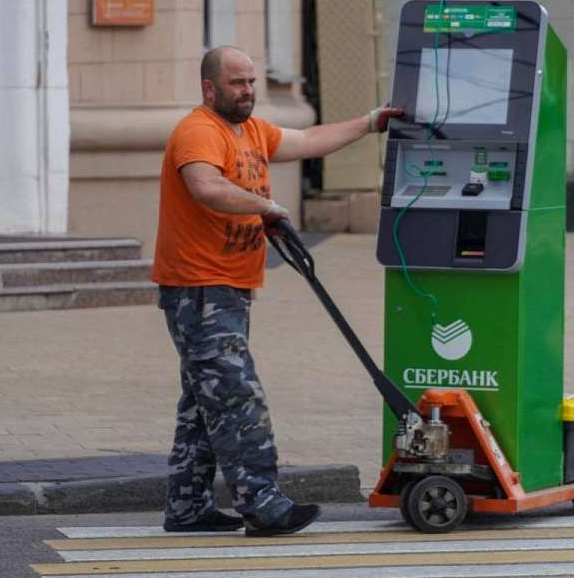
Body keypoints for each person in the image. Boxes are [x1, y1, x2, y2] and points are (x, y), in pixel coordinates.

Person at [151, 45, 402, 537]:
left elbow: (308, 139)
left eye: (250, 82)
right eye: (237, 83)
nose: (247, 91)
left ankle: (187, 507)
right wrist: (265, 207)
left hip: (226, 289)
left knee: (205, 401)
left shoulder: (251, 131)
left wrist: (371, 121)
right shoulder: (199, 131)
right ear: (210, 88)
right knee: (236, 397)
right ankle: (263, 505)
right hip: (198, 289)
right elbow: (205, 186)